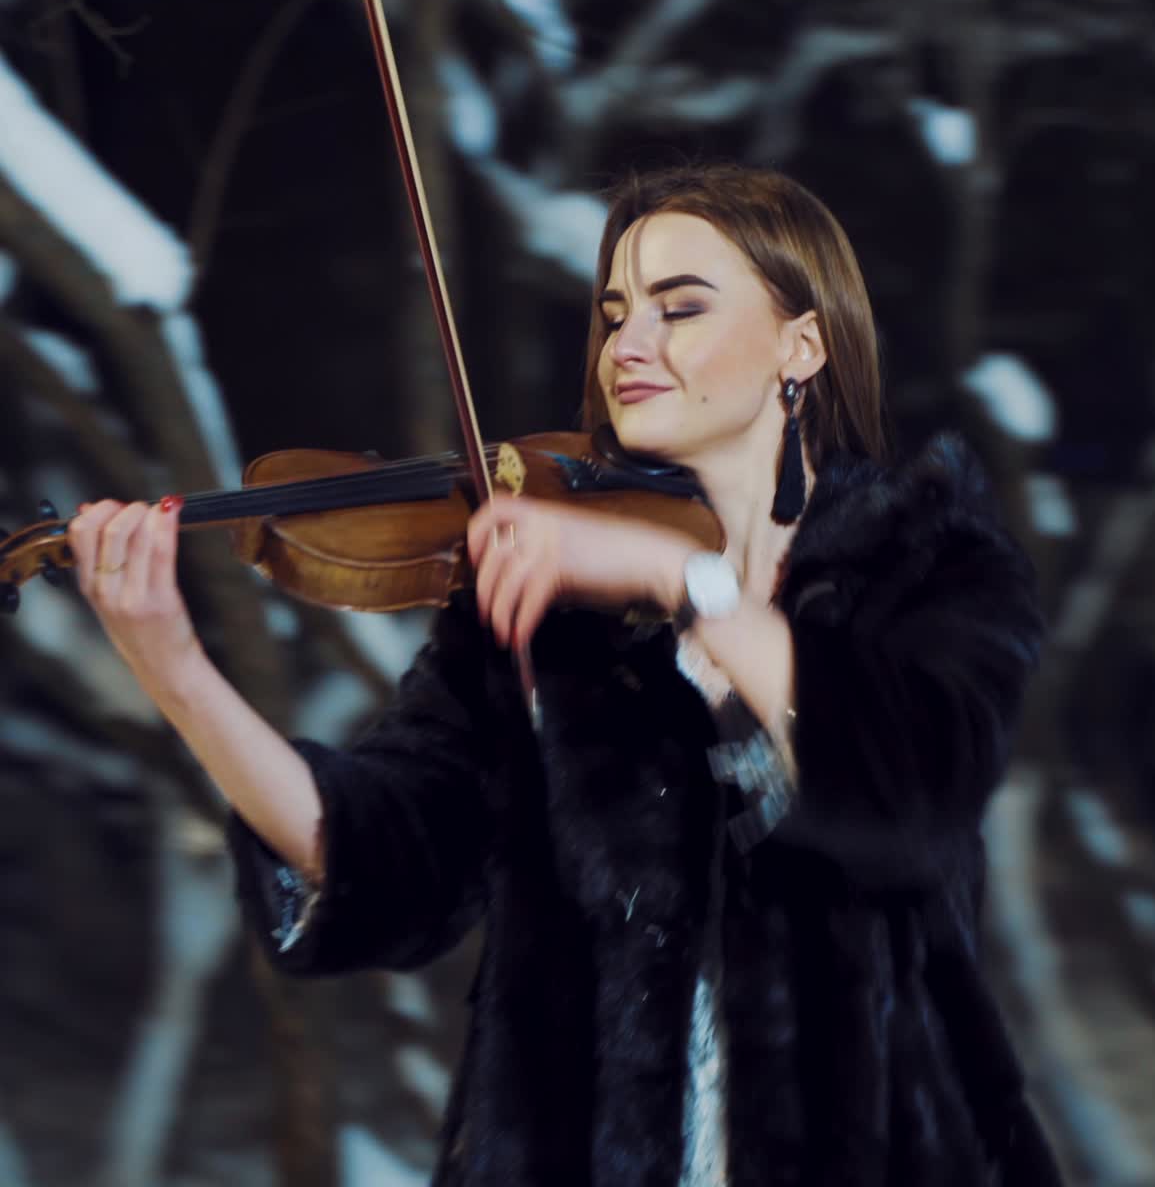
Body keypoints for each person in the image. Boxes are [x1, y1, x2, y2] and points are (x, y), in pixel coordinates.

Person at [69, 164, 1065, 1186]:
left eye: (679, 307)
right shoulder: (545, 595)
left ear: (798, 345)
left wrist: (684, 580)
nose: (626, 344)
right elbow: (386, 853)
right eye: (616, 311)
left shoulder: (927, 563)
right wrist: (179, 671)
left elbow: (908, 795)